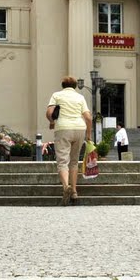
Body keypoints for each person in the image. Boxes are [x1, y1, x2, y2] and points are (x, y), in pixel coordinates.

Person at [45, 76, 92, 205]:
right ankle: (75, 191)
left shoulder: (57, 95)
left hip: (63, 128)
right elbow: (88, 117)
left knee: (62, 161)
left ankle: (66, 187)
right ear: (75, 86)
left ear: (63, 85)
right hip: (79, 128)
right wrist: (88, 135)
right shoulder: (80, 97)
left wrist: (52, 122)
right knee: (74, 161)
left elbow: (49, 112)